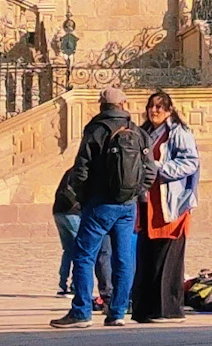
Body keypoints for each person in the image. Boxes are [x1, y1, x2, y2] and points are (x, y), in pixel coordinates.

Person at [52, 86, 148, 328]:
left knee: (84, 255)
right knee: (124, 258)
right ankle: (117, 312)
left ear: (101, 105)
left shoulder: (96, 129)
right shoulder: (136, 131)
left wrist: (83, 197)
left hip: (100, 203)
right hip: (128, 205)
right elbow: (151, 169)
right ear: (124, 104)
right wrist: (136, 192)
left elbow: (81, 169)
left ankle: (81, 311)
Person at [132, 90, 201, 322]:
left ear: (169, 110)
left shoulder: (178, 133)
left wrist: (160, 167)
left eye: (160, 107)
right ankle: (145, 308)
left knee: (167, 259)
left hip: (170, 202)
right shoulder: (145, 133)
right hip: (147, 202)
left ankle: (168, 309)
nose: (154, 111)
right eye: (151, 106)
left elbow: (190, 162)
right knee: (147, 256)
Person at [52, 166, 114, 308]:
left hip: (60, 211)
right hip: (72, 212)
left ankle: (63, 286)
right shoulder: (86, 171)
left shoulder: (72, 170)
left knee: (69, 250)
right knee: (84, 250)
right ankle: (75, 286)